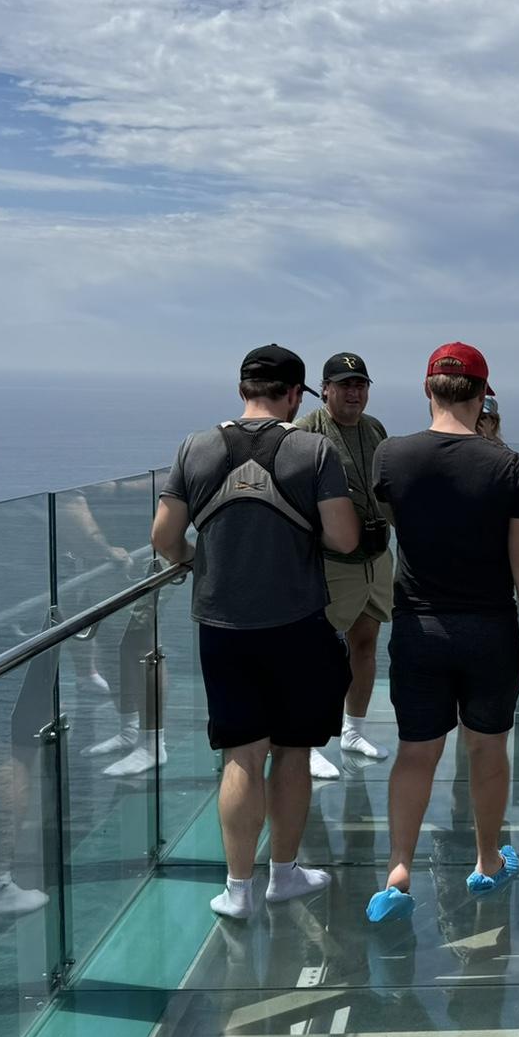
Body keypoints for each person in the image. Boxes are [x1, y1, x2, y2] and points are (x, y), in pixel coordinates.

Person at [152, 344, 359, 919]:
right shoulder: (313, 450)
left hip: (222, 625)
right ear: (294, 394)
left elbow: (164, 538)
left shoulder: (195, 447)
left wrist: (199, 560)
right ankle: (284, 875)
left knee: (242, 756)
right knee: (293, 753)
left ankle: (238, 890)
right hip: (296, 623)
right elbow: (343, 538)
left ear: (243, 388)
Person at [367, 342, 519, 922]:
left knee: (415, 752)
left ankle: (399, 870)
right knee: (487, 748)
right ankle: (486, 861)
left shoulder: (390, 457)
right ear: (482, 394)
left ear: (428, 389)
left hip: (418, 627)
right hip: (489, 629)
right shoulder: (510, 467)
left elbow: (398, 522)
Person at [295, 351, 393, 777]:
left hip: (375, 557)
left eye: (361, 384)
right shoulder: (306, 433)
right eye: (345, 384)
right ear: (326, 389)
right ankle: (309, 740)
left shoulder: (376, 430)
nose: (354, 392)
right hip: (331, 561)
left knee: (366, 643)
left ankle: (353, 730)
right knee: (318, 653)